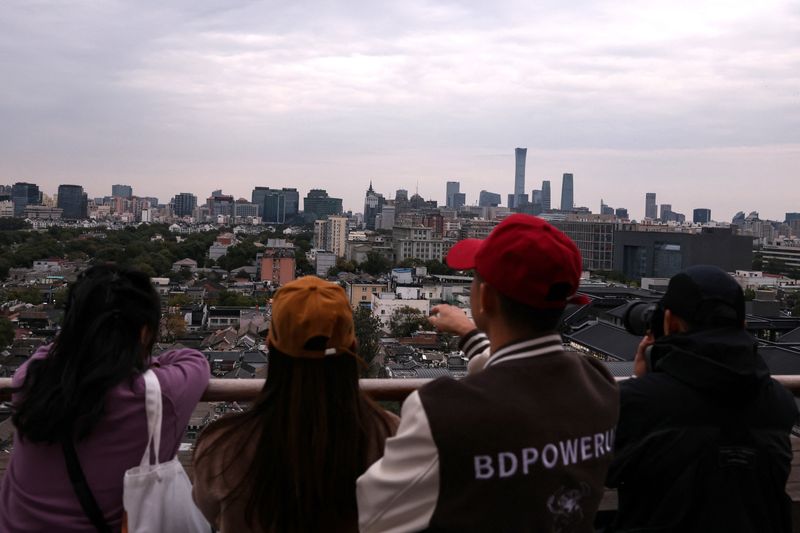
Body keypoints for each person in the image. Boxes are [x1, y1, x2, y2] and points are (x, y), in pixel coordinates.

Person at [357, 214, 619, 532]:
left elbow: (373, 514)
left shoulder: (444, 412)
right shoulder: (598, 384)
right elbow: (521, 372)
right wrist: (471, 336)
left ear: (485, 298)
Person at [0, 264, 209, 531]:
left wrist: (88, 336)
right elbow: (194, 360)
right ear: (144, 332)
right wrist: (131, 358)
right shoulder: (156, 395)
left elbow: (57, 350)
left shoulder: (32, 378)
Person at [192, 276, 399, 533]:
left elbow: (208, 511)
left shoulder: (223, 447)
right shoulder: (392, 439)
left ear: (269, 345)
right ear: (353, 346)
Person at [606, 265, 798, 533]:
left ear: (669, 322)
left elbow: (605, 474)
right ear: (742, 326)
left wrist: (642, 383)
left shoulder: (637, 403)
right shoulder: (780, 403)